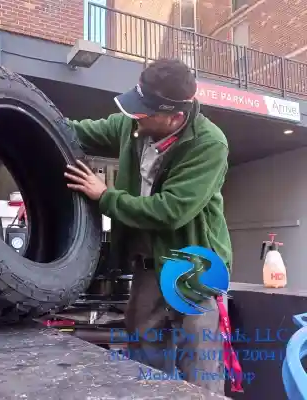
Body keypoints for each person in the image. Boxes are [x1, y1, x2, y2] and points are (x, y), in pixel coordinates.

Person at [64, 58, 232, 394]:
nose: (134, 116)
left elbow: (170, 211)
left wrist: (106, 197)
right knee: (144, 363)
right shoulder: (132, 126)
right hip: (148, 266)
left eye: (144, 112)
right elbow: (79, 131)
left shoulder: (209, 144)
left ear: (175, 117)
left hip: (195, 269)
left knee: (200, 373)